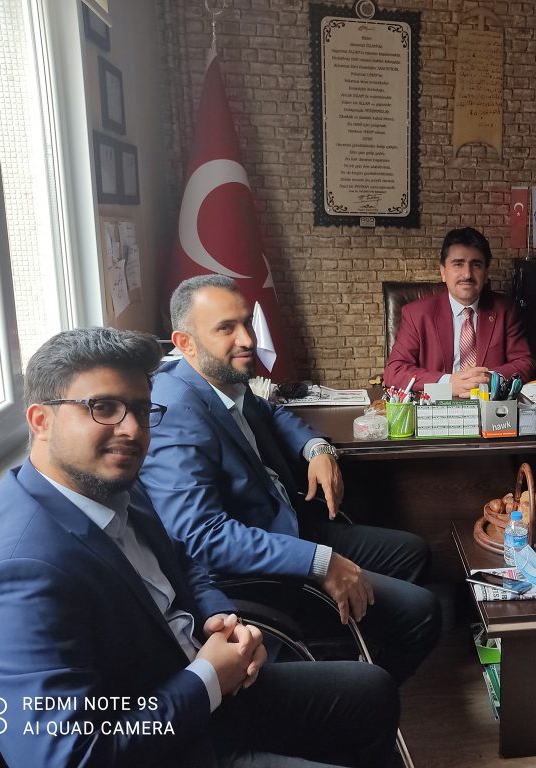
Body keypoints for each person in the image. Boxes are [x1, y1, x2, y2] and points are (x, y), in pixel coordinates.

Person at [0, 327, 399, 768]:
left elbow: (181, 559)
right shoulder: (14, 575)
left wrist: (221, 620)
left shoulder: (111, 484)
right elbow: (73, 756)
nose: (132, 430)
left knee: (373, 691)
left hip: (206, 693)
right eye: (104, 408)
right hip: (170, 745)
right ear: (41, 421)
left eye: (141, 410)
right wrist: (207, 680)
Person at [141, 275, 441, 685]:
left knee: (413, 553)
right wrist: (319, 562)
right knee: (422, 613)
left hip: (291, 525)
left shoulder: (219, 378)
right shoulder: (175, 413)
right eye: (226, 328)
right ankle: (361, 696)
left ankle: (361, 646)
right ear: (185, 342)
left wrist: (316, 448)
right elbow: (203, 536)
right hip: (261, 571)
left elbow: (270, 412)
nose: (247, 340)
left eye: (247, 323)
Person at [383, 226, 536, 397]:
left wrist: (490, 379)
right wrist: (448, 383)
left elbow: (525, 362)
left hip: (489, 405)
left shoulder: (505, 309)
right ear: (443, 272)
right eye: (458, 264)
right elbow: (394, 371)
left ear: (486, 273)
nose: (467, 274)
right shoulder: (416, 314)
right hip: (437, 405)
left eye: (476, 265)